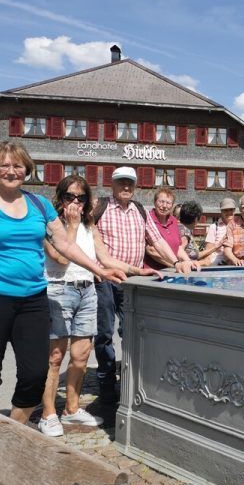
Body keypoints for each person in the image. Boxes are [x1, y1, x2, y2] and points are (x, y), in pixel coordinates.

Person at [0, 141, 126, 425]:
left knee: (35, 374)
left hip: (33, 300)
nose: (11, 170)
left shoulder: (39, 204)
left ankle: (12, 431)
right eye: (4, 164)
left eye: (18, 165)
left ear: (27, 169)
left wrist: (100, 269)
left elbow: (65, 246)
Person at [39, 175, 156, 437]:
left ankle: (71, 409)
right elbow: (59, 255)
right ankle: (47, 414)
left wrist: (138, 270)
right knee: (55, 357)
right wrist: (70, 224)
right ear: (61, 198)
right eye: (70, 196)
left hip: (87, 291)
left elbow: (104, 258)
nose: (76, 202)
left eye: (81, 198)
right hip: (58, 290)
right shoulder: (51, 223)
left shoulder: (90, 225)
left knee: (81, 356)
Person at [94, 166, 196, 403]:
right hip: (107, 280)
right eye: (121, 183)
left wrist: (176, 262)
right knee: (104, 333)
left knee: (129, 332)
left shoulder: (140, 211)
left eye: (130, 183)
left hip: (132, 281)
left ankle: (129, 383)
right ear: (113, 184)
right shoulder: (101, 207)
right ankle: (107, 388)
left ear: (136, 186)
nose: (126, 187)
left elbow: (157, 241)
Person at [144, 187, 195, 270]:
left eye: (168, 203)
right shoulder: (148, 219)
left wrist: (189, 262)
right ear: (154, 202)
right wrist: (175, 264)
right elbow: (151, 250)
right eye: (161, 202)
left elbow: (178, 248)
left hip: (172, 270)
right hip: (153, 272)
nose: (164, 206)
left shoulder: (174, 221)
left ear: (172, 206)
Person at [204, 198, 236, 265]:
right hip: (217, 263)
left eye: (231, 210)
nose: (229, 212)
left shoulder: (239, 226)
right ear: (221, 211)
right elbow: (207, 252)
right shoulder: (214, 227)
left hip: (235, 262)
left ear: (234, 210)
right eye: (225, 210)